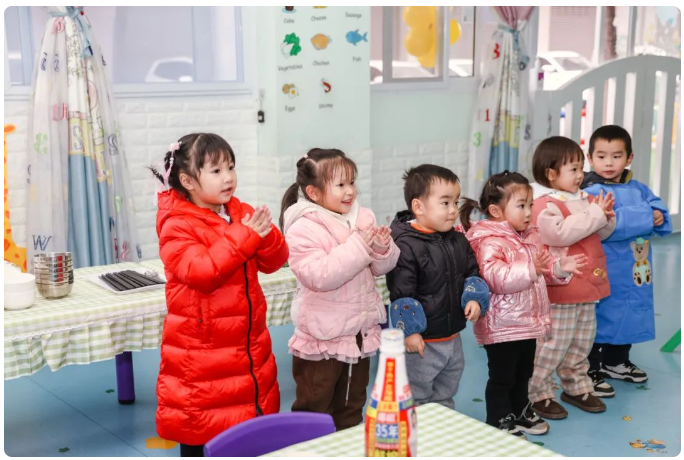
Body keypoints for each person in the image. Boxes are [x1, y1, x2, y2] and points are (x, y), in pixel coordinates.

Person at [151, 133, 288, 457]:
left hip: (248, 347)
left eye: (231, 167)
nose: (228, 177)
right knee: (202, 426)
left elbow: (275, 262)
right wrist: (246, 235)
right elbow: (202, 273)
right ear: (188, 181)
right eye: (216, 171)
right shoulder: (176, 224)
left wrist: (266, 236)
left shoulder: (240, 212)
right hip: (202, 355)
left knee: (247, 427)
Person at [279, 148, 400, 431]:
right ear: (314, 192)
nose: (350, 191)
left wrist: (381, 248)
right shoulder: (302, 227)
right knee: (315, 406)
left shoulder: (363, 217)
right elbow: (320, 275)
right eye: (341, 184)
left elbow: (381, 268)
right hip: (323, 338)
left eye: (352, 182)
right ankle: (310, 449)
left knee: (352, 405)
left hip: (359, 334)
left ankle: (348, 446)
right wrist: (359, 246)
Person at [461, 171, 586, 438]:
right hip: (502, 327)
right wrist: (531, 269)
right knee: (503, 376)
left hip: (528, 323)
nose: (529, 212)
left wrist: (559, 268)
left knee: (523, 372)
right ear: (496, 211)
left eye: (530, 204)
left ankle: (521, 411)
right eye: (521, 205)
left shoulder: (530, 237)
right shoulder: (488, 241)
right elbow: (495, 278)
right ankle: (499, 418)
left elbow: (542, 272)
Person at [527, 136, 616, 420]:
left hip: (588, 283)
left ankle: (576, 386)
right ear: (551, 174)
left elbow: (601, 232)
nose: (580, 175)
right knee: (554, 343)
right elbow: (559, 234)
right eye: (573, 169)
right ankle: (537, 392)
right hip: (563, 286)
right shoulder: (543, 203)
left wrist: (606, 216)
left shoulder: (584, 198)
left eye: (581, 168)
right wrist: (594, 214)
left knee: (582, 341)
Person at [386, 164, 488, 410]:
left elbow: (472, 273)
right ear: (419, 207)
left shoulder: (458, 239)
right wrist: (410, 332)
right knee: (416, 393)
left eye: (455, 202)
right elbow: (402, 292)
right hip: (422, 341)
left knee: (447, 388)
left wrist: (474, 299)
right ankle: (413, 428)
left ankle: (441, 423)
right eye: (445, 203)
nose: (453, 210)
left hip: (452, 336)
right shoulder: (406, 244)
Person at [581, 125, 672, 396]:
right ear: (590, 158)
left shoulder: (638, 188)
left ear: (629, 158)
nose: (609, 163)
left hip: (634, 269)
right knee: (599, 317)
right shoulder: (590, 190)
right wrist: (645, 217)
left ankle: (617, 361)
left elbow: (657, 208)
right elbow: (608, 225)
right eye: (602, 156)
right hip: (604, 268)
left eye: (617, 156)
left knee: (630, 313)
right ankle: (589, 368)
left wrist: (658, 215)